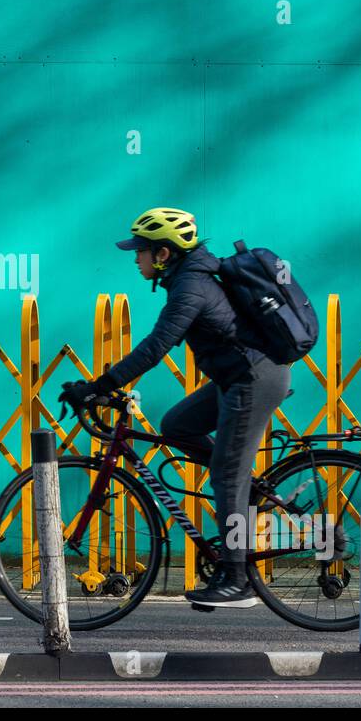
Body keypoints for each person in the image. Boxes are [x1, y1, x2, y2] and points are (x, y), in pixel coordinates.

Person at [61, 206, 292, 609]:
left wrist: (98, 386)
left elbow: (155, 348)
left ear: (163, 253)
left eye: (141, 251)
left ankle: (236, 579)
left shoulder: (191, 288)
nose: (136, 258)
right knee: (176, 425)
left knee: (223, 477)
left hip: (253, 380)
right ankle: (244, 481)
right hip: (235, 378)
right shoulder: (189, 280)